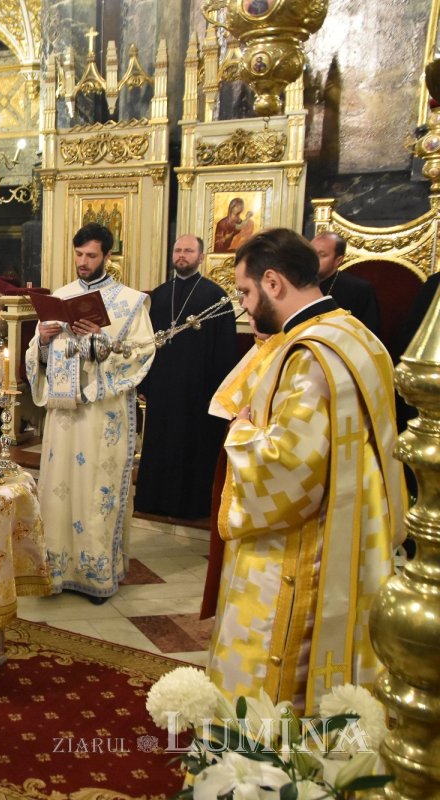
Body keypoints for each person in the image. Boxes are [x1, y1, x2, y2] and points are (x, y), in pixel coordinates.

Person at [206, 228, 405, 714]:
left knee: (276, 684)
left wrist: (242, 432)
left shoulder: (308, 354)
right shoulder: (358, 335)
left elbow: (289, 471)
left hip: (303, 548)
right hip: (355, 532)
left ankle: (263, 770)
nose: (246, 307)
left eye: (247, 293)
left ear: (273, 282)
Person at [25, 223, 154, 601]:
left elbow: (141, 355)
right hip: (64, 416)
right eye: (79, 255)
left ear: (108, 257)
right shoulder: (58, 298)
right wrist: (44, 343)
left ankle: (97, 573)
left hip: (102, 415)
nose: (83, 262)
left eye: (91, 256)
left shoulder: (130, 303)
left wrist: (97, 341)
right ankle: (58, 570)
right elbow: (38, 358)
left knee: (97, 490)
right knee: (58, 488)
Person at [134, 235, 237, 521]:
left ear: (201, 257)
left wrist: (219, 392)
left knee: (193, 445)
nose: (181, 255)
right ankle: (153, 500)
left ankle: (190, 506)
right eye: (178, 250)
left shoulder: (216, 297)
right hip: (163, 387)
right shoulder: (160, 295)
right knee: (160, 443)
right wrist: (145, 382)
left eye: (188, 251)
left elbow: (225, 350)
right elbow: (145, 343)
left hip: (198, 390)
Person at [312, 232, 380, 337]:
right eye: (310, 253)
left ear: (338, 260)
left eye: (322, 255)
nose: (313, 259)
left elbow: (367, 334)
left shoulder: (359, 289)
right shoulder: (295, 282)